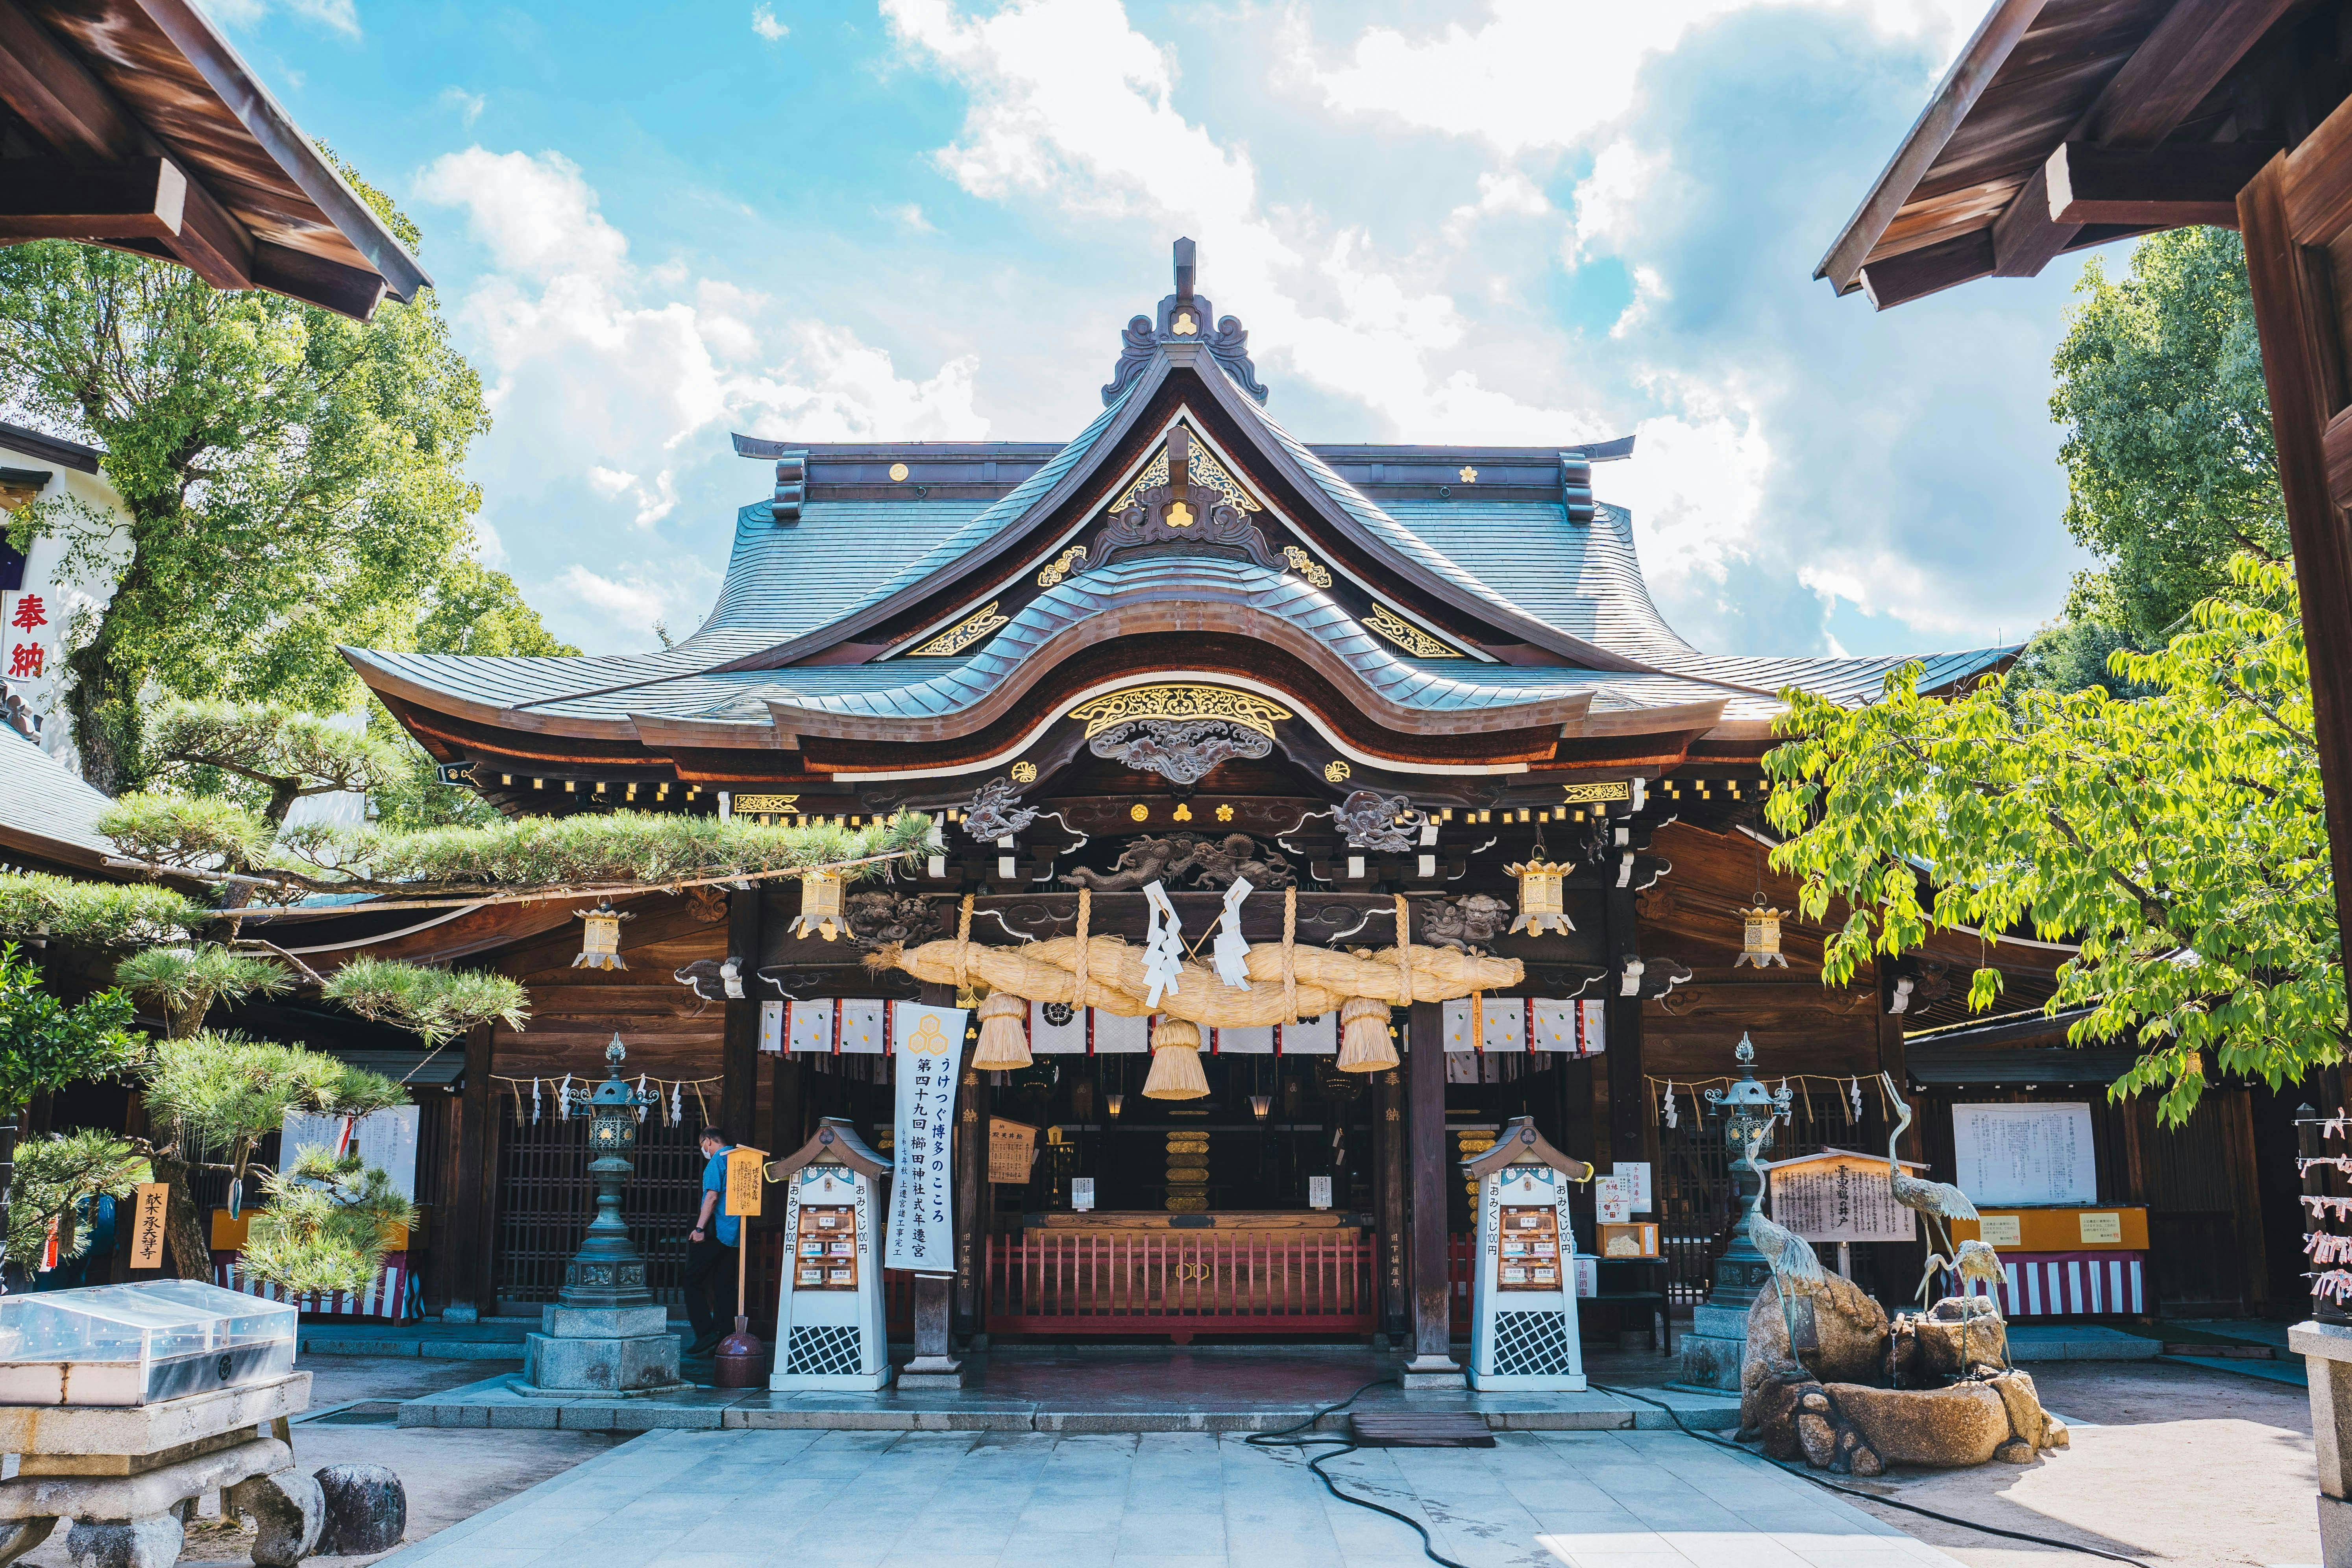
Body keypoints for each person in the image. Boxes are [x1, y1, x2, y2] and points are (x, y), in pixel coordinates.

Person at [686, 1126, 738, 1356]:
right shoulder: (739, 1160)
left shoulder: (717, 1161)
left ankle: (706, 1332)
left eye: (702, 1146)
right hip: (736, 1233)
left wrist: (699, 1228)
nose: (703, 1150)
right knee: (724, 1284)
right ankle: (723, 1338)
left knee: (691, 1280)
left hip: (717, 1230)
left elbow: (713, 1196)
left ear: (708, 1142)